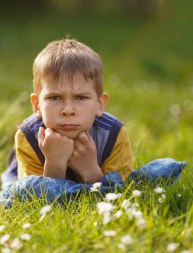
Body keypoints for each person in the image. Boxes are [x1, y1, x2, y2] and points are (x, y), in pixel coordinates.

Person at [14, 38, 134, 184]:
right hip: (32, 159)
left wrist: (90, 171)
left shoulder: (114, 135)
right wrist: (54, 163)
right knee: (11, 180)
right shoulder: (28, 137)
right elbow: (33, 198)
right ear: (37, 105)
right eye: (55, 97)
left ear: (99, 104)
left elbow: (119, 194)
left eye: (81, 97)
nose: (68, 110)